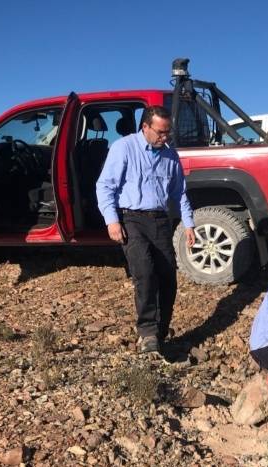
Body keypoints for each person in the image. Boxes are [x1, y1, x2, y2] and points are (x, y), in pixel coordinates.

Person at [96, 105, 195, 354]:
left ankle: (161, 330)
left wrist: (189, 224)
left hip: (160, 221)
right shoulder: (124, 148)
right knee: (145, 272)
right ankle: (148, 332)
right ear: (146, 127)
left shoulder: (170, 156)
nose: (165, 137)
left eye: (168, 133)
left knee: (167, 277)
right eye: (160, 132)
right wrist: (112, 220)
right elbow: (105, 185)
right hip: (132, 219)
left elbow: (180, 192)